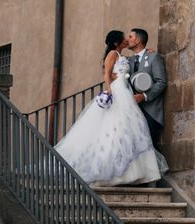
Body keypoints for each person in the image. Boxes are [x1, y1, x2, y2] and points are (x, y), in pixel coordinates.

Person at [54, 30, 163, 186]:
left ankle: (131, 173)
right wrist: (110, 89)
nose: (127, 40)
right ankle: (110, 171)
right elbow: (106, 73)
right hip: (118, 92)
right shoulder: (112, 53)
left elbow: (135, 62)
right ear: (116, 43)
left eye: (129, 37)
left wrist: (149, 52)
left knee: (128, 131)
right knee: (114, 129)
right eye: (124, 38)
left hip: (126, 92)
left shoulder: (125, 57)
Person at [127, 28, 167, 148]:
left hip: (151, 112)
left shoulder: (153, 57)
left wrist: (144, 96)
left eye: (130, 37)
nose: (127, 40)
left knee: (150, 148)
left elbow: (161, 82)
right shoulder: (129, 60)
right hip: (133, 111)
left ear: (138, 40)